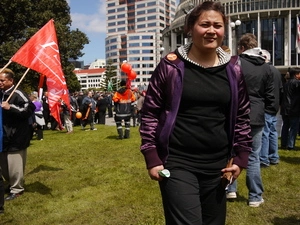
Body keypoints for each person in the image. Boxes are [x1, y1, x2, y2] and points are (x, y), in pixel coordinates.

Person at [139, 2, 252, 224]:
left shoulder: (234, 69)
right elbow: (150, 113)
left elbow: (241, 116)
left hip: (219, 166)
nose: (212, 30)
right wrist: (152, 156)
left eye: (217, 25)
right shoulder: (170, 66)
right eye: (205, 24)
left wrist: (240, 157)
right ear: (190, 28)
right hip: (178, 162)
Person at [226, 34, 275, 207]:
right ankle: (255, 196)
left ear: (241, 47)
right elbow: (271, 96)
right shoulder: (266, 68)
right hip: (256, 115)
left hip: (236, 113)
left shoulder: (234, 63)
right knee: (254, 156)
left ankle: (230, 188)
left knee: (232, 152)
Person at [0, 68, 35, 201]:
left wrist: (11, 108)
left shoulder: (18, 93)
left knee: (15, 165)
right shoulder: (1, 93)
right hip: (3, 136)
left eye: (2, 80)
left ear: (11, 80)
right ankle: (10, 184)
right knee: (4, 166)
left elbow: (29, 109)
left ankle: (17, 189)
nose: (0, 83)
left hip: (16, 137)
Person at [260, 50, 282, 166]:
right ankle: (273, 156)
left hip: (267, 105)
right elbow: (280, 89)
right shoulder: (276, 71)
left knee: (265, 133)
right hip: (274, 105)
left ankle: (264, 158)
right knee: (272, 132)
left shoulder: (265, 70)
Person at [280, 67, 300, 150]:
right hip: (294, 108)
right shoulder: (297, 83)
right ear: (296, 75)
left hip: (285, 108)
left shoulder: (286, 84)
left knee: (285, 126)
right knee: (293, 128)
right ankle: (290, 145)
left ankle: (284, 143)